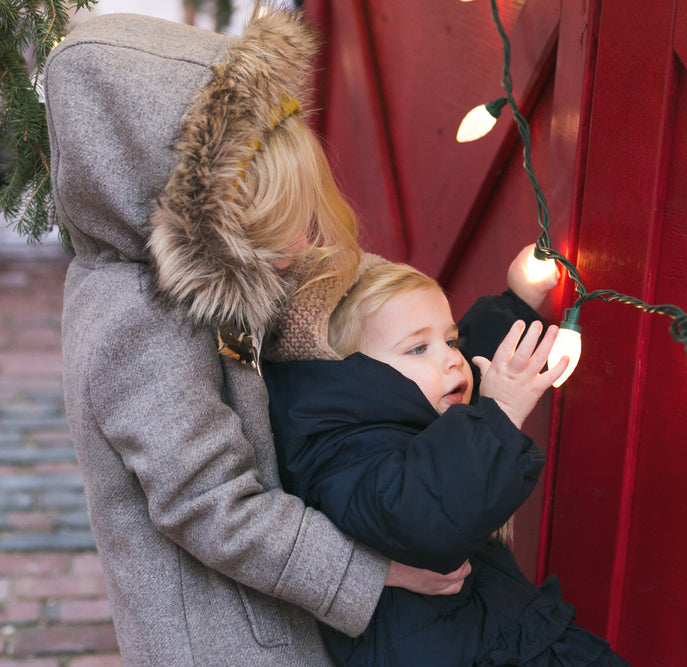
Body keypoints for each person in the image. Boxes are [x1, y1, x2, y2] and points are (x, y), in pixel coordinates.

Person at [45, 10, 470, 665]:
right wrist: (378, 571)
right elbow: (211, 504)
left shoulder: (169, 285)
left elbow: (262, 361)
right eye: (277, 228)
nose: (303, 245)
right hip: (223, 644)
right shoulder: (143, 323)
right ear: (199, 217)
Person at [261, 256, 631, 665]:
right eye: (419, 347)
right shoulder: (347, 450)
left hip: (499, 635)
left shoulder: (417, 407)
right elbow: (424, 511)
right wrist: (501, 410)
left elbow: (473, 362)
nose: (452, 358)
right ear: (352, 375)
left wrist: (520, 298)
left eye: (449, 340)